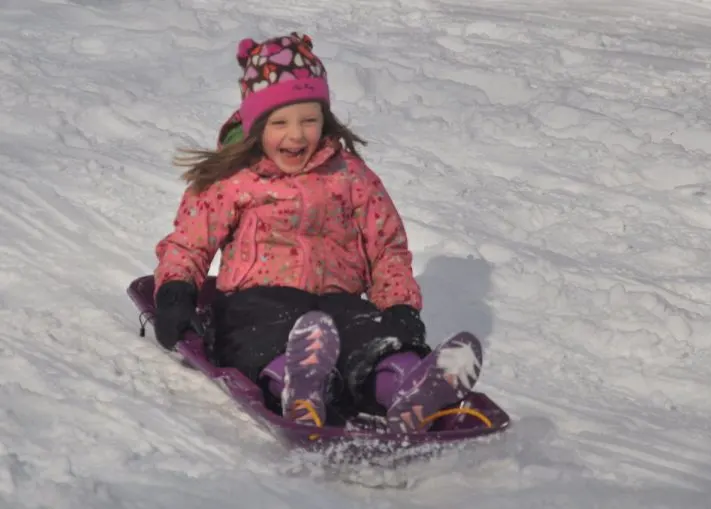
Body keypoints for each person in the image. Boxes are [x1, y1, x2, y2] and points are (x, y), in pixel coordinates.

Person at [151, 32, 483, 433]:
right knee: (261, 337)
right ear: (256, 126)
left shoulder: (351, 176)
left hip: (338, 301)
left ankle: (408, 387)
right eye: (280, 123)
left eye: (309, 120)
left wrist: (399, 308)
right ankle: (299, 389)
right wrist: (176, 291)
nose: (296, 135)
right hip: (256, 301)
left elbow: (386, 248)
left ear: (325, 119)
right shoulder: (235, 180)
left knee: (371, 338)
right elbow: (190, 240)